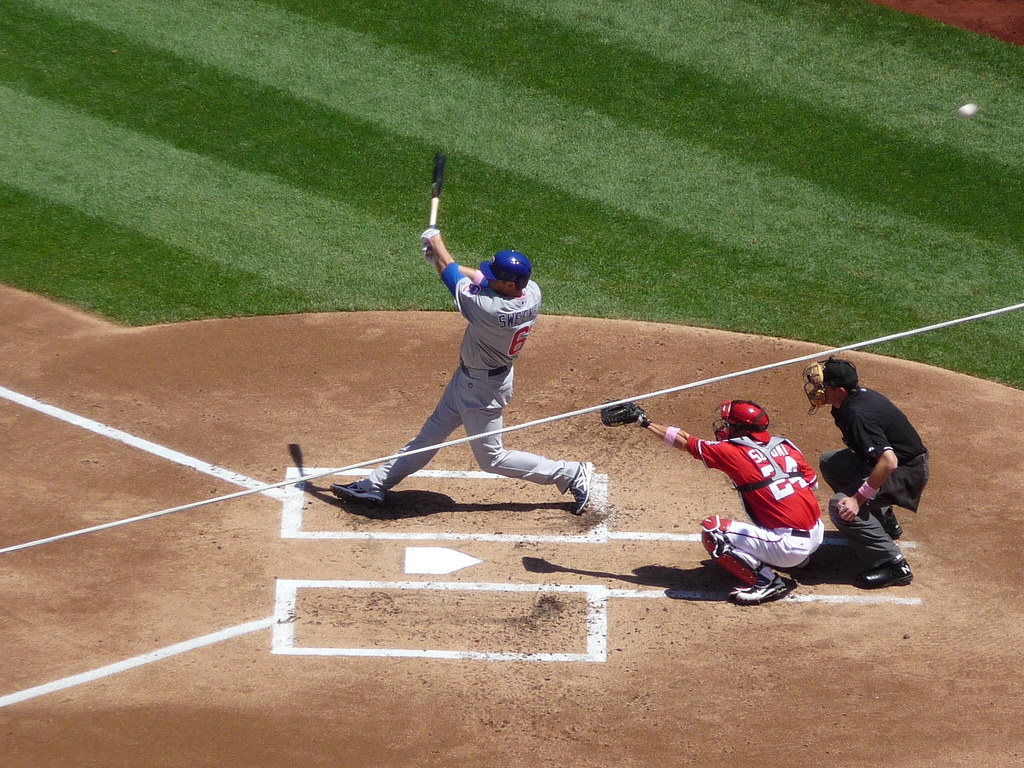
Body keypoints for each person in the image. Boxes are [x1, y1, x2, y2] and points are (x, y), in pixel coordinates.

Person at [331, 227, 593, 514]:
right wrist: (440, 260)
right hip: (471, 379)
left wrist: (436, 242)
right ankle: (374, 485)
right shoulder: (531, 292)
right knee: (428, 438)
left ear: (508, 285)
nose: (489, 277)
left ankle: (570, 473)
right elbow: (480, 278)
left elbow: (453, 276)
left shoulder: (490, 310)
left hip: (483, 391)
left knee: (492, 459)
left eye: (496, 276)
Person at [600, 399, 823, 605]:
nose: (725, 427)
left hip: (788, 547)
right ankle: (801, 560)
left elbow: (685, 441)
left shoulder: (732, 452)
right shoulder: (786, 445)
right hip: (816, 534)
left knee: (714, 532)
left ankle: (767, 582)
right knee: (777, 501)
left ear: (742, 429)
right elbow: (812, 484)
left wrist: (644, 422)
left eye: (729, 423)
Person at [802, 357, 928, 589]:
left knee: (841, 507)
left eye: (823, 386)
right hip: (895, 465)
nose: (817, 389)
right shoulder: (848, 401)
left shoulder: (858, 413)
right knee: (831, 462)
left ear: (839, 390)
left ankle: (893, 565)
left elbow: (888, 462)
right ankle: (885, 522)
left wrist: (858, 500)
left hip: (906, 473)